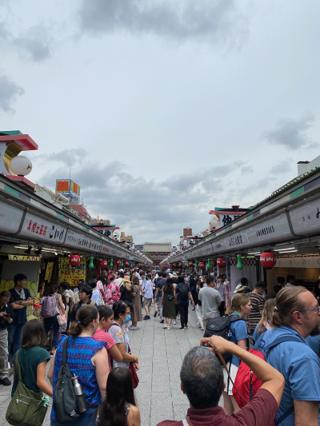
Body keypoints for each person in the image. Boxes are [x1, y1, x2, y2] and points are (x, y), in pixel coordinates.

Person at [157, 335, 284, 426]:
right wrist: (231, 347)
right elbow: (276, 379)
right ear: (223, 385)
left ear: (182, 388)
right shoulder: (246, 421)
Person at [256, 286, 320, 426]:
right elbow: (306, 422)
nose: (319, 313)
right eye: (316, 309)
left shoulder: (266, 336)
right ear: (298, 316)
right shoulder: (304, 358)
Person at [49, 305, 109, 425]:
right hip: (86, 412)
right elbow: (103, 387)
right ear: (94, 322)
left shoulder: (63, 343)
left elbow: (50, 375)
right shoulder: (98, 349)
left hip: (61, 411)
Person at [223, 293, 251, 415]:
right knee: (235, 399)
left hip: (225, 360)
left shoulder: (228, 317)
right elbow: (242, 348)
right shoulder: (240, 323)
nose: (251, 307)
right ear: (242, 306)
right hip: (235, 363)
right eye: (249, 305)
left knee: (226, 397)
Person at [12, 320, 52, 397]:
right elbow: (40, 382)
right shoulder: (42, 353)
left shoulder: (18, 352)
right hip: (31, 399)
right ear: (40, 334)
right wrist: (55, 396)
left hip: (17, 397)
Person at [8, 273, 33, 363]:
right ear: (18, 282)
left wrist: (20, 303)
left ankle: (15, 360)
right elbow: (13, 306)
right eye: (24, 280)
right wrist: (24, 303)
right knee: (10, 339)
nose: (25, 282)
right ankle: (7, 359)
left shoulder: (26, 291)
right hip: (13, 320)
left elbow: (31, 301)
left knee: (18, 340)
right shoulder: (10, 292)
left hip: (22, 319)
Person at [109, 301, 139, 369]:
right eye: (127, 313)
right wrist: (135, 358)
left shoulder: (121, 326)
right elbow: (122, 354)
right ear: (120, 315)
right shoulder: (117, 329)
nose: (129, 315)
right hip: (119, 368)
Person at [41, 283, 64, 353]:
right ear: (57, 289)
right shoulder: (58, 295)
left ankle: (43, 347)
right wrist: (63, 311)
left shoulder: (45, 295)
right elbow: (62, 305)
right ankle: (53, 349)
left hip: (46, 316)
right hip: (55, 316)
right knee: (56, 332)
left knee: (45, 331)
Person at [0, 291, 13, 385]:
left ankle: (3, 375)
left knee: (4, 352)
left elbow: (11, 320)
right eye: (5, 297)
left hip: (3, 331)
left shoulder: (8, 307)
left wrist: (7, 319)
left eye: (8, 298)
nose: (6, 299)